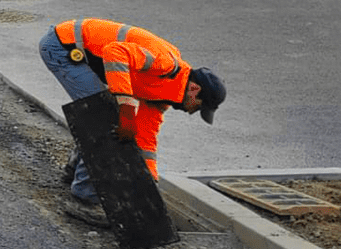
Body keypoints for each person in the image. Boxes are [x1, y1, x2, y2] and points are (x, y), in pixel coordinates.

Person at [39, 17, 227, 225]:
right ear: (195, 90)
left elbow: (146, 139)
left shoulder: (162, 97)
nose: (193, 111)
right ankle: (84, 199)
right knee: (102, 119)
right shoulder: (166, 64)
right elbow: (114, 53)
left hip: (76, 51)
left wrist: (150, 185)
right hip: (64, 47)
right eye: (199, 107)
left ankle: (73, 170)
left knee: (106, 119)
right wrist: (126, 110)